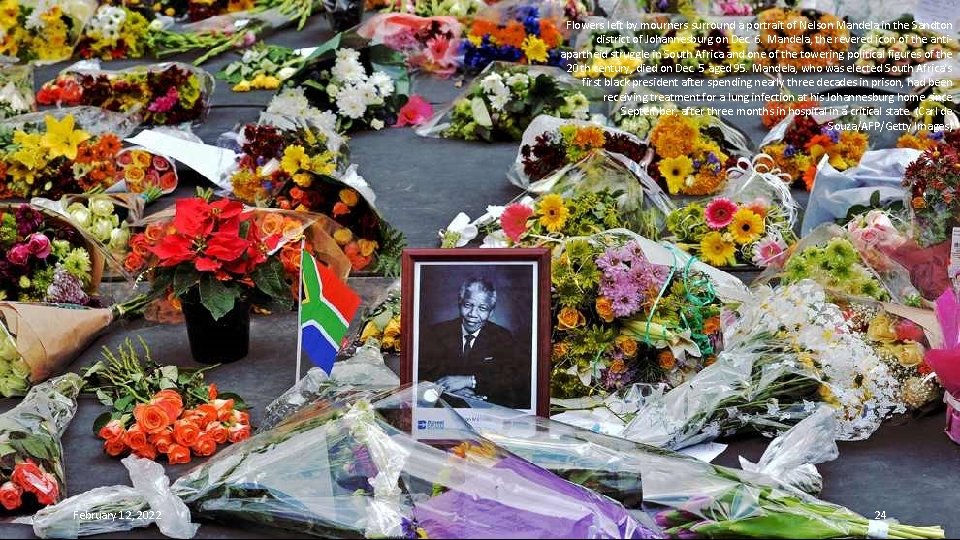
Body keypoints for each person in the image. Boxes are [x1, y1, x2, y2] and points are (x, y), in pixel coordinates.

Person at [418, 276, 531, 409]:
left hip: (486, 409)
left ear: (491, 312)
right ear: (460, 303)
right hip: (443, 408)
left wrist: (469, 381)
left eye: (482, 308)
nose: (473, 314)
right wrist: (453, 393)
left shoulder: (503, 337)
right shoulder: (435, 333)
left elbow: (512, 379)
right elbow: (423, 376)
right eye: (468, 305)